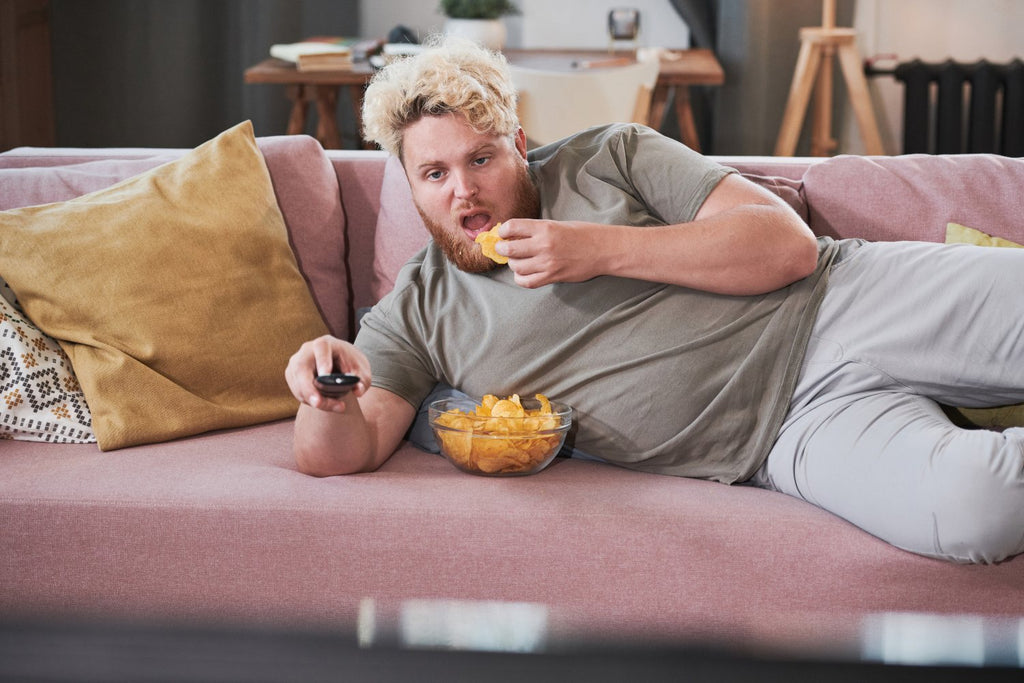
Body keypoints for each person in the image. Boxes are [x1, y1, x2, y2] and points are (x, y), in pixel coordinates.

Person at [284, 37, 1024, 564]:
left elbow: (786, 246)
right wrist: (327, 397)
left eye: (481, 159)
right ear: (408, 182)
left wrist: (594, 248)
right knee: (975, 510)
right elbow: (339, 455)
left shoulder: (610, 155)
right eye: (434, 173)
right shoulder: (415, 311)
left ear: (518, 142)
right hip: (786, 437)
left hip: (843, 298)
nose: (463, 190)